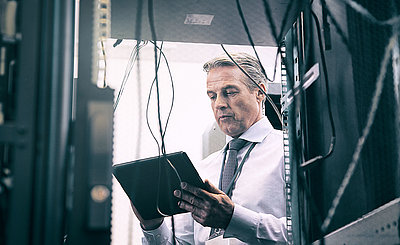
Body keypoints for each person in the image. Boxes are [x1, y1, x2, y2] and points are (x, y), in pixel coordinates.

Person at [132, 53, 287, 244]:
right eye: (212, 96)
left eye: (230, 92)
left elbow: (312, 232)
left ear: (260, 93)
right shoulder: (202, 169)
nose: (219, 104)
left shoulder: (288, 153)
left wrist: (233, 218)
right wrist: (152, 225)